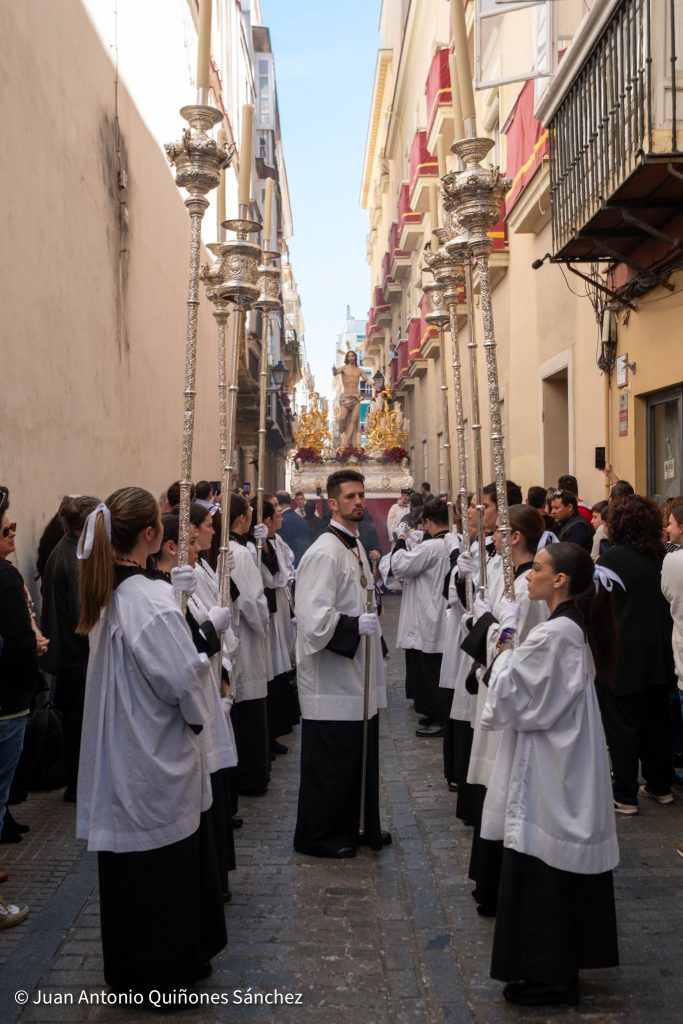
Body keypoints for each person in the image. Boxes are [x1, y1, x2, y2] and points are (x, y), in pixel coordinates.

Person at [75, 488, 226, 996]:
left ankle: (133, 971)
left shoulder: (115, 593)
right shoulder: (148, 600)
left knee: (132, 872)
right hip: (154, 750)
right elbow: (181, 679)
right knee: (161, 871)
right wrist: (201, 711)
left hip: (125, 742)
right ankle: (164, 977)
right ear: (151, 534)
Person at [481, 542, 620, 1006]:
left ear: (560, 580)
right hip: (560, 755)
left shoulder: (556, 634)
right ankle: (550, 967)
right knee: (546, 865)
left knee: (546, 867)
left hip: (552, 765)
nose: (529, 575)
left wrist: (500, 643)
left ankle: (553, 972)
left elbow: (513, 694)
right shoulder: (565, 627)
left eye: (537, 568)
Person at [293, 469, 389, 858]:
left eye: (361, 495)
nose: (359, 501)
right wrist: (351, 626)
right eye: (350, 496)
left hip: (356, 675)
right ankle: (320, 836)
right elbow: (313, 620)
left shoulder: (353, 544)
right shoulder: (324, 552)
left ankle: (358, 826)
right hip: (331, 680)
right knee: (333, 763)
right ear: (332, 504)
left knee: (355, 758)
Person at [597, 495, 676, 813]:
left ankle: (625, 793)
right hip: (659, 652)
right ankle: (660, 785)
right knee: (657, 721)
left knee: (623, 725)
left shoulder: (611, 560)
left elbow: (599, 606)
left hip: (622, 653)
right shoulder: (662, 556)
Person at [0, 487, 42, 927]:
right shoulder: (5, 578)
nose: (13, 534)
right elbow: (16, 643)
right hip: (7, 702)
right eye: (6, 529)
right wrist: (33, 648)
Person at [40, 495, 100, 803]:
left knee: (75, 721)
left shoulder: (64, 548)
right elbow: (82, 615)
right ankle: (78, 784)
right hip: (76, 657)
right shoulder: (74, 557)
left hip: (68, 655)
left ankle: (77, 782)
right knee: (78, 724)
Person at [391, 499, 453, 738]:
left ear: (427, 522)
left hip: (429, 614)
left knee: (431, 670)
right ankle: (435, 712)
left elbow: (400, 565)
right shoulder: (452, 542)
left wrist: (400, 540)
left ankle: (440, 716)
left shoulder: (430, 548)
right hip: (441, 611)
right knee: (435, 667)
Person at [227, 494, 271, 796]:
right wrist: (263, 624)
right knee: (249, 710)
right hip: (245, 636)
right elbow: (252, 601)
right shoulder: (240, 554)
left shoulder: (231, 551)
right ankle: (252, 776)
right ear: (242, 518)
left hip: (237, 633)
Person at [256, 499, 298, 754]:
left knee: (281, 668)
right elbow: (271, 576)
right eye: (278, 515)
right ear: (267, 520)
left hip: (281, 605)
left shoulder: (277, 540)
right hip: (269, 614)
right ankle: (269, 733)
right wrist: (261, 545)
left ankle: (279, 726)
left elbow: (288, 562)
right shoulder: (256, 546)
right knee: (272, 669)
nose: (282, 518)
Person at [332, 351, 364, 448]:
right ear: (347, 358)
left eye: (353, 356)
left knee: (354, 419)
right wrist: (334, 371)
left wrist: (373, 384)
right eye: (349, 356)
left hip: (356, 397)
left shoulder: (359, 370)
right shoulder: (343, 368)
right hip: (345, 397)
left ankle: (345, 443)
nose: (351, 357)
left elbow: (367, 379)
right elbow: (336, 373)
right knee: (342, 417)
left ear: (355, 357)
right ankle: (341, 435)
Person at [276, 491, 311, 567]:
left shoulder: (281, 521)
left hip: (290, 565)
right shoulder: (301, 519)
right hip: (304, 563)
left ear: (278, 503)